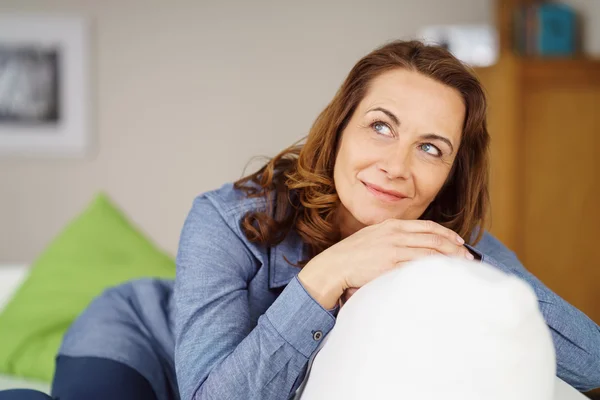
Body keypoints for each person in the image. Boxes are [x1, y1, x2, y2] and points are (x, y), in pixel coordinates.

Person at [1, 39, 599, 400]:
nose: (396, 165)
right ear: (338, 129)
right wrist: (327, 274)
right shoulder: (226, 218)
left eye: (430, 147)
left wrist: (466, 264)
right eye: (382, 126)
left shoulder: (446, 242)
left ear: (451, 173)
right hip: (140, 342)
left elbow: (591, 361)